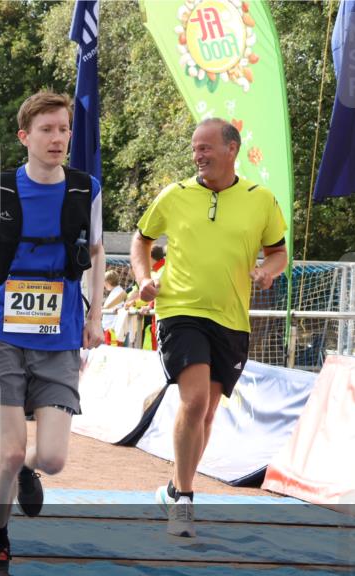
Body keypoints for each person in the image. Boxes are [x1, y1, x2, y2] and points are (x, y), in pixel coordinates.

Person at [0, 91, 105, 576]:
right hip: (1, 337)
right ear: (25, 137)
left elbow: (98, 252)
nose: (58, 138)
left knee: (54, 459)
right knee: (12, 449)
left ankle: (26, 473)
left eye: (64, 129)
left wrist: (95, 315)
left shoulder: (87, 191)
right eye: (47, 130)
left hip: (60, 336)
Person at [133, 118, 287, 538]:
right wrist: (143, 278)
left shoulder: (261, 199)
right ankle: (184, 498)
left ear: (232, 149)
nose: (198, 155)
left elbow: (278, 252)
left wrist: (268, 272)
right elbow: (142, 239)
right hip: (179, 309)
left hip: (231, 319)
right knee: (195, 399)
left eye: (206, 148)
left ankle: (172, 488)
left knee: (207, 412)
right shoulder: (175, 195)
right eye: (195, 148)